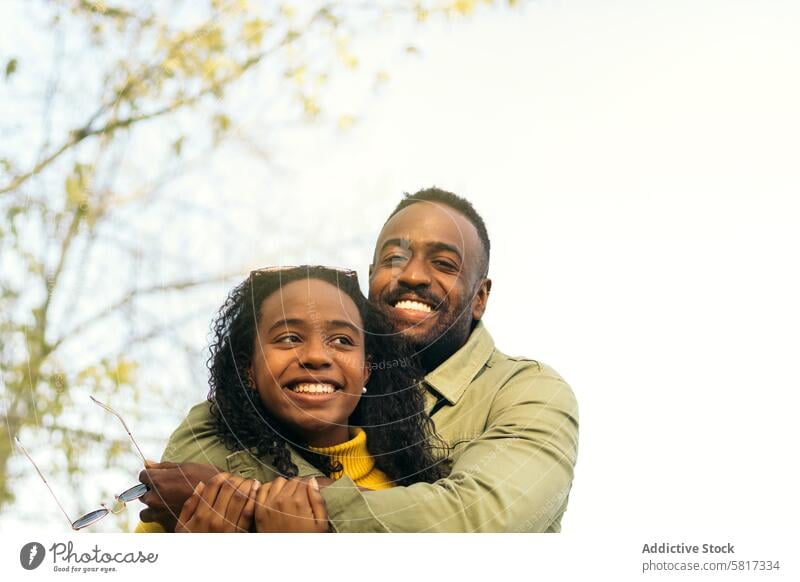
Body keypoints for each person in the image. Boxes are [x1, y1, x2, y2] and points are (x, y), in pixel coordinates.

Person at [140, 188, 579, 532]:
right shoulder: (274, 395)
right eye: (393, 258)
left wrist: (255, 501)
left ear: (479, 298)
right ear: (371, 279)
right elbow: (176, 485)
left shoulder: (528, 394)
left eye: (444, 264)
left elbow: (479, 521)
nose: (412, 275)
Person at [136, 265, 446, 532]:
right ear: (249, 370)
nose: (316, 356)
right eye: (289, 338)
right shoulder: (187, 503)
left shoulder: (411, 493)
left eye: (342, 340)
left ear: (366, 370)